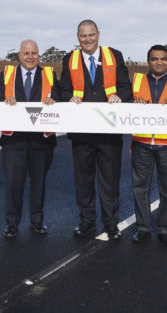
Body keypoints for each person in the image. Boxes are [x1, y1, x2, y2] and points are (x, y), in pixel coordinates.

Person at [59, 20, 132, 240]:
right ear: (77, 37)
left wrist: (121, 96)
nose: (87, 39)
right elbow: (62, 89)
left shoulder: (114, 55)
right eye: (83, 36)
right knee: (83, 181)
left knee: (109, 181)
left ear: (98, 34)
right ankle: (87, 223)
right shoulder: (69, 59)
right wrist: (67, 97)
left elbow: (126, 87)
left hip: (109, 132)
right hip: (81, 133)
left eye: (91, 35)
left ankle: (111, 224)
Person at [0, 39, 58, 238]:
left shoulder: (50, 74)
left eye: (34, 53)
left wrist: (53, 100)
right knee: (14, 184)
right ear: (19, 56)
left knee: (39, 183)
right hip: (14, 141)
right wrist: (5, 100)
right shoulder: (7, 74)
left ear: (39, 56)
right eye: (27, 53)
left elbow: (59, 100)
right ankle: (11, 224)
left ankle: (37, 221)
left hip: (42, 141)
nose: (31, 57)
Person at [130, 45, 167, 246]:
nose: (159, 62)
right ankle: (143, 228)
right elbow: (124, 107)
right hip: (141, 143)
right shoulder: (136, 81)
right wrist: (132, 103)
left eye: (163, 58)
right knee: (140, 188)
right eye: (155, 59)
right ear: (148, 61)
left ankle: (164, 229)